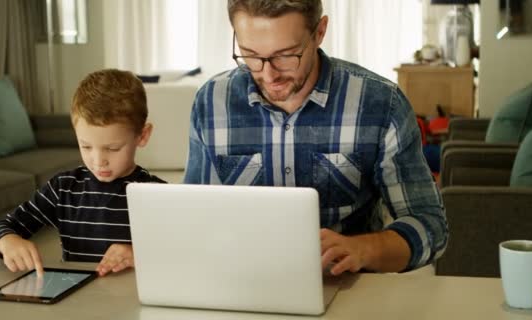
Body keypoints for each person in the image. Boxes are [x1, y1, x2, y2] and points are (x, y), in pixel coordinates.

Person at [184, 0, 448, 275]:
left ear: (319, 32)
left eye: (285, 55)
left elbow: (430, 225)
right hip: (241, 284)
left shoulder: (381, 104)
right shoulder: (211, 102)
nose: (268, 74)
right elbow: (195, 217)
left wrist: (363, 250)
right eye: (250, 54)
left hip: (347, 288)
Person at [0, 69, 165, 277]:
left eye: (113, 148)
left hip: (133, 301)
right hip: (75, 301)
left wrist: (139, 254)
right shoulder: (62, 188)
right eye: (86, 146)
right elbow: (3, 226)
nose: (99, 161)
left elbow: (184, 251)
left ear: (142, 136)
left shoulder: (158, 196)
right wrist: (7, 241)